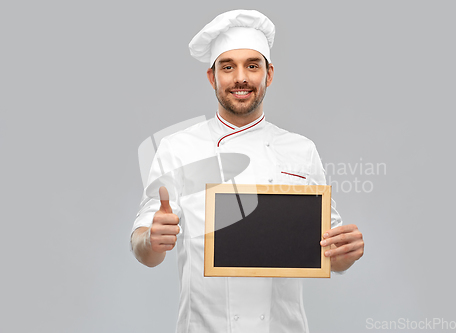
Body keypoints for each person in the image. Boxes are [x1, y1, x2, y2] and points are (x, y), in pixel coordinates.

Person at [131, 9, 364, 333]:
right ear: (213, 77)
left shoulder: (301, 150)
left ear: (268, 74)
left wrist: (347, 252)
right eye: (228, 67)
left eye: (252, 66)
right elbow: (144, 248)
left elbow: (331, 253)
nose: (241, 77)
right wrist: (153, 240)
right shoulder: (177, 148)